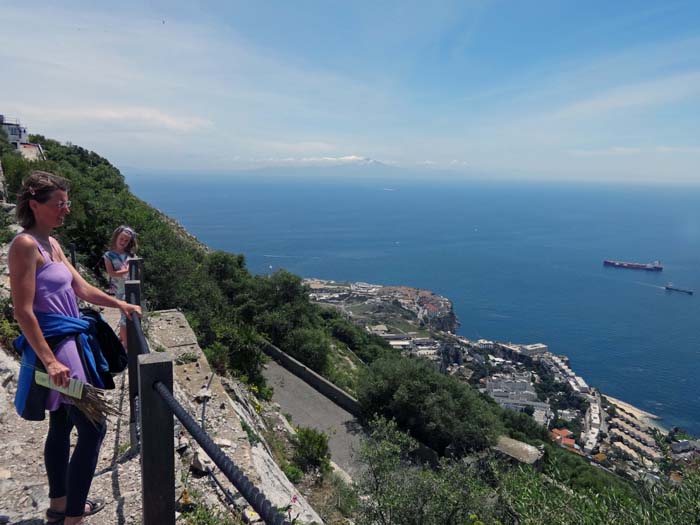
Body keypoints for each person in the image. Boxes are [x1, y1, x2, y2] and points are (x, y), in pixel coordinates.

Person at [8, 171, 141, 525]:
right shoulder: (24, 246)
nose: (65, 210)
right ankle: (73, 517)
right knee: (94, 427)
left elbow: (81, 289)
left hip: (71, 345)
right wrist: (50, 362)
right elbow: (22, 311)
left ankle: (59, 505)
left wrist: (121, 306)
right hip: (56, 350)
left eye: (67, 203)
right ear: (35, 205)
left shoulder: (52, 243)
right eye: (59, 204)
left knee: (62, 423)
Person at [103, 225, 138, 346]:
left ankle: (124, 339)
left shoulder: (130, 255)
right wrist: (128, 269)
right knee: (125, 318)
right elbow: (111, 273)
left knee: (130, 315)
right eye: (121, 239)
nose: (123, 242)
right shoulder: (108, 255)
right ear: (116, 238)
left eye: (126, 240)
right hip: (120, 290)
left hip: (130, 288)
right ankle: (126, 347)